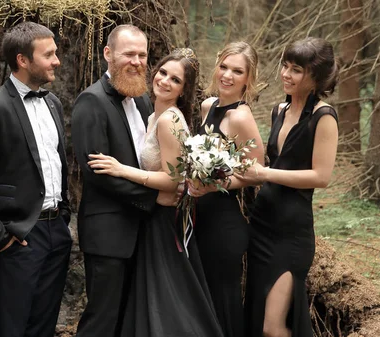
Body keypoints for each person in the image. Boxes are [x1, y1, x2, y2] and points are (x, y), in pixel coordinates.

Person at [78, 45, 225, 336]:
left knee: (168, 303)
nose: (165, 81)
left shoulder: (170, 120)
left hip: (163, 220)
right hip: (151, 218)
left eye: (175, 80)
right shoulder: (151, 113)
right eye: (163, 72)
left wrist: (122, 169)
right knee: (154, 301)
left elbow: (172, 180)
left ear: (184, 90)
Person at [0, 22, 72, 337]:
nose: (57, 61)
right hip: (20, 235)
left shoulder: (53, 103)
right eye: (48, 54)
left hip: (57, 231)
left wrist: (63, 216)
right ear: (23, 60)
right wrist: (0, 237)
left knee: (44, 323)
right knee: (11, 325)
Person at [71, 25, 184, 337]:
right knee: (102, 319)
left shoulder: (144, 100)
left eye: (142, 55)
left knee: (130, 319)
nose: (136, 61)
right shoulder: (90, 102)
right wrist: (153, 198)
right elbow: (99, 173)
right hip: (108, 233)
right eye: (128, 54)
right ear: (108, 54)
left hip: (144, 231)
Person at [236, 37, 339, 337]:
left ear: (315, 77)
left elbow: (321, 177)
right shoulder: (278, 110)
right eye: (285, 66)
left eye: (296, 70)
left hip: (291, 233)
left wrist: (267, 173)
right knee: (257, 318)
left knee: (274, 326)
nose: (285, 74)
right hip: (262, 224)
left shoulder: (324, 116)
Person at [187, 41, 265, 337]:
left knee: (222, 302)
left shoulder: (241, 117)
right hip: (199, 217)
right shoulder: (209, 106)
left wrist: (216, 184)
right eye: (224, 67)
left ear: (248, 78)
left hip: (223, 224)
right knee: (202, 302)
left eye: (237, 71)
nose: (228, 75)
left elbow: (257, 174)